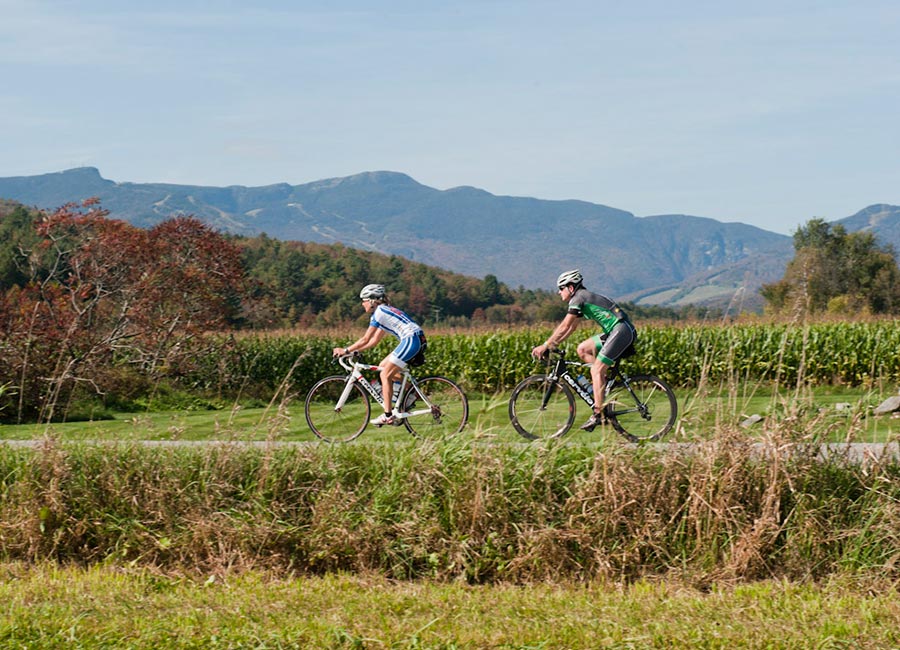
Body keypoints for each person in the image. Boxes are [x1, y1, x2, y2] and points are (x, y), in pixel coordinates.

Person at [531, 269, 637, 431]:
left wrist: (546, 345)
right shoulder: (581, 298)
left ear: (571, 288)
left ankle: (598, 413)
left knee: (596, 370)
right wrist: (553, 345)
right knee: (582, 349)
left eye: (561, 288)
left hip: (621, 330)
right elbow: (571, 328)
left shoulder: (578, 298)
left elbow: (565, 325)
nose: (559, 292)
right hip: (616, 331)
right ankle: (603, 385)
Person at [333, 284, 427, 426]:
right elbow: (373, 341)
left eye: (363, 300)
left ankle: (388, 415)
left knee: (385, 375)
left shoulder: (379, 313)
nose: (362, 303)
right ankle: (409, 395)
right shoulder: (385, 312)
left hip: (411, 339)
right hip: (415, 338)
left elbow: (365, 339)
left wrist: (345, 351)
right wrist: (354, 352)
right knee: (383, 367)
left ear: (372, 300)